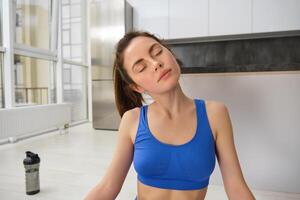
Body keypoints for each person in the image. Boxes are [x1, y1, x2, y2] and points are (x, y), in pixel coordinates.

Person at [84, 31, 256, 200]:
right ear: (137, 87)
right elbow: (108, 187)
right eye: (141, 67)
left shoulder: (215, 114)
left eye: (157, 52)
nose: (155, 63)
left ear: (171, 54)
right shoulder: (133, 120)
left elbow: (236, 188)